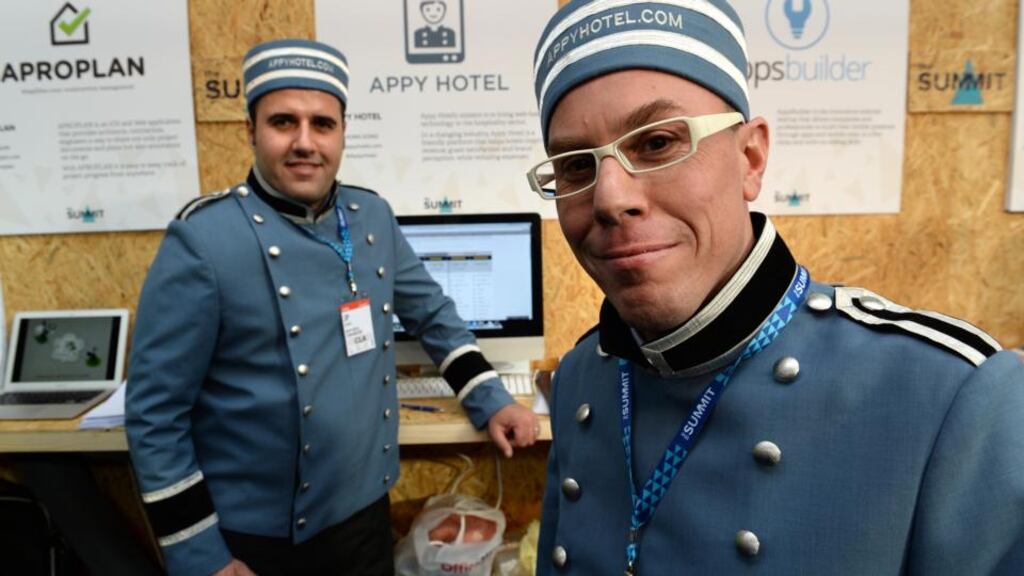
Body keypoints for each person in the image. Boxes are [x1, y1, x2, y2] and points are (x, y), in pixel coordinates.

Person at [526, 1, 1024, 574]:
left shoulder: (949, 396)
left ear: (750, 158)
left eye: (657, 143)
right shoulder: (580, 377)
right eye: (575, 166)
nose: (611, 198)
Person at [126, 38, 539, 576]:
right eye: (283, 123)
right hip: (253, 539)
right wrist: (203, 557)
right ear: (250, 131)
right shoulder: (205, 240)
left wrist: (492, 399)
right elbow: (155, 415)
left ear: (342, 132)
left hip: (363, 518)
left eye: (322, 124)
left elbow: (431, 314)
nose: (304, 143)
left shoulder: (370, 216)